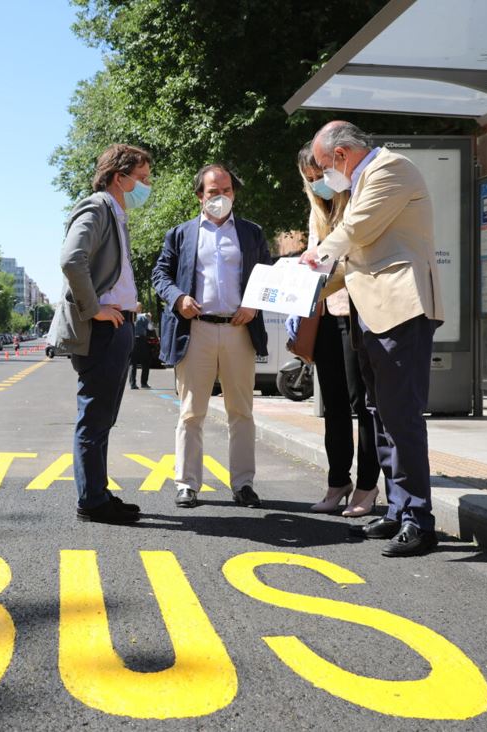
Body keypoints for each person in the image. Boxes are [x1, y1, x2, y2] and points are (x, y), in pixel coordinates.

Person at [301, 121, 444, 557]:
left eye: (324, 167)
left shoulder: (389, 169)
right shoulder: (363, 178)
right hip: (373, 310)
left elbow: (356, 231)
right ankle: (399, 509)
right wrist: (302, 291)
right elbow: (358, 261)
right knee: (380, 414)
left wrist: (316, 253)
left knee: (401, 415)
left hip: (401, 309)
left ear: (341, 155)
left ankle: (419, 519)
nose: (326, 177)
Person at [152, 163, 275, 509]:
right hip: (197, 331)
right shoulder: (181, 234)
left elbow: (267, 276)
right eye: (213, 192)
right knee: (191, 413)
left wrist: (253, 305)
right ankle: (187, 484)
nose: (221, 197)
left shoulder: (251, 233)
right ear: (199, 196)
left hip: (239, 330)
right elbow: (160, 273)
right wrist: (178, 297)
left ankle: (244, 485)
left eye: (227, 191)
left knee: (242, 412)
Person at [47, 143, 153, 525]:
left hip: (117, 325)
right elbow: (70, 259)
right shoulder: (96, 207)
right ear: (118, 177)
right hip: (100, 330)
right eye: (141, 178)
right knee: (94, 417)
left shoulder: (115, 213)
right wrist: (96, 308)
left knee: (103, 417)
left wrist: (125, 303)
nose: (146, 185)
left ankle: (98, 492)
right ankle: (91, 502)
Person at [292, 143, 381, 517]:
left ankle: (366, 487)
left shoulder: (355, 201)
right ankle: (337, 481)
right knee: (334, 407)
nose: (318, 186)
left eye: (321, 177)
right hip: (325, 314)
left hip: (356, 312)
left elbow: (351, 258)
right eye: (310, 181)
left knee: (363, 405)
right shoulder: (316, 215)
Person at [129, 310, 152, 389]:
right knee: (145, 362)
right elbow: (150, 328)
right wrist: (149, 319)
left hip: (132, 339)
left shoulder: (130, 316)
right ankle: (144, 383)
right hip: (141, 340)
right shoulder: (144, 317)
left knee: (133, 363)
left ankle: (132, 384)